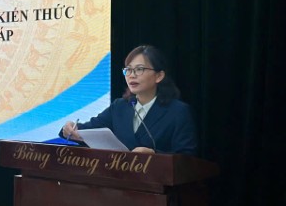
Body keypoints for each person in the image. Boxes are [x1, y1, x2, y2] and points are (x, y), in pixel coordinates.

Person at [60, 45, 197, 155]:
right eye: (128, 70)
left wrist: (154, 155)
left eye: (139, 69)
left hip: (157, 180)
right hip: (119, 179)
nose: (131, 75)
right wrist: (69, 129)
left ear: (159, 76)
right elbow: (87, 131)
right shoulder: (120, 107)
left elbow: (186, 158)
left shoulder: (177, 111)